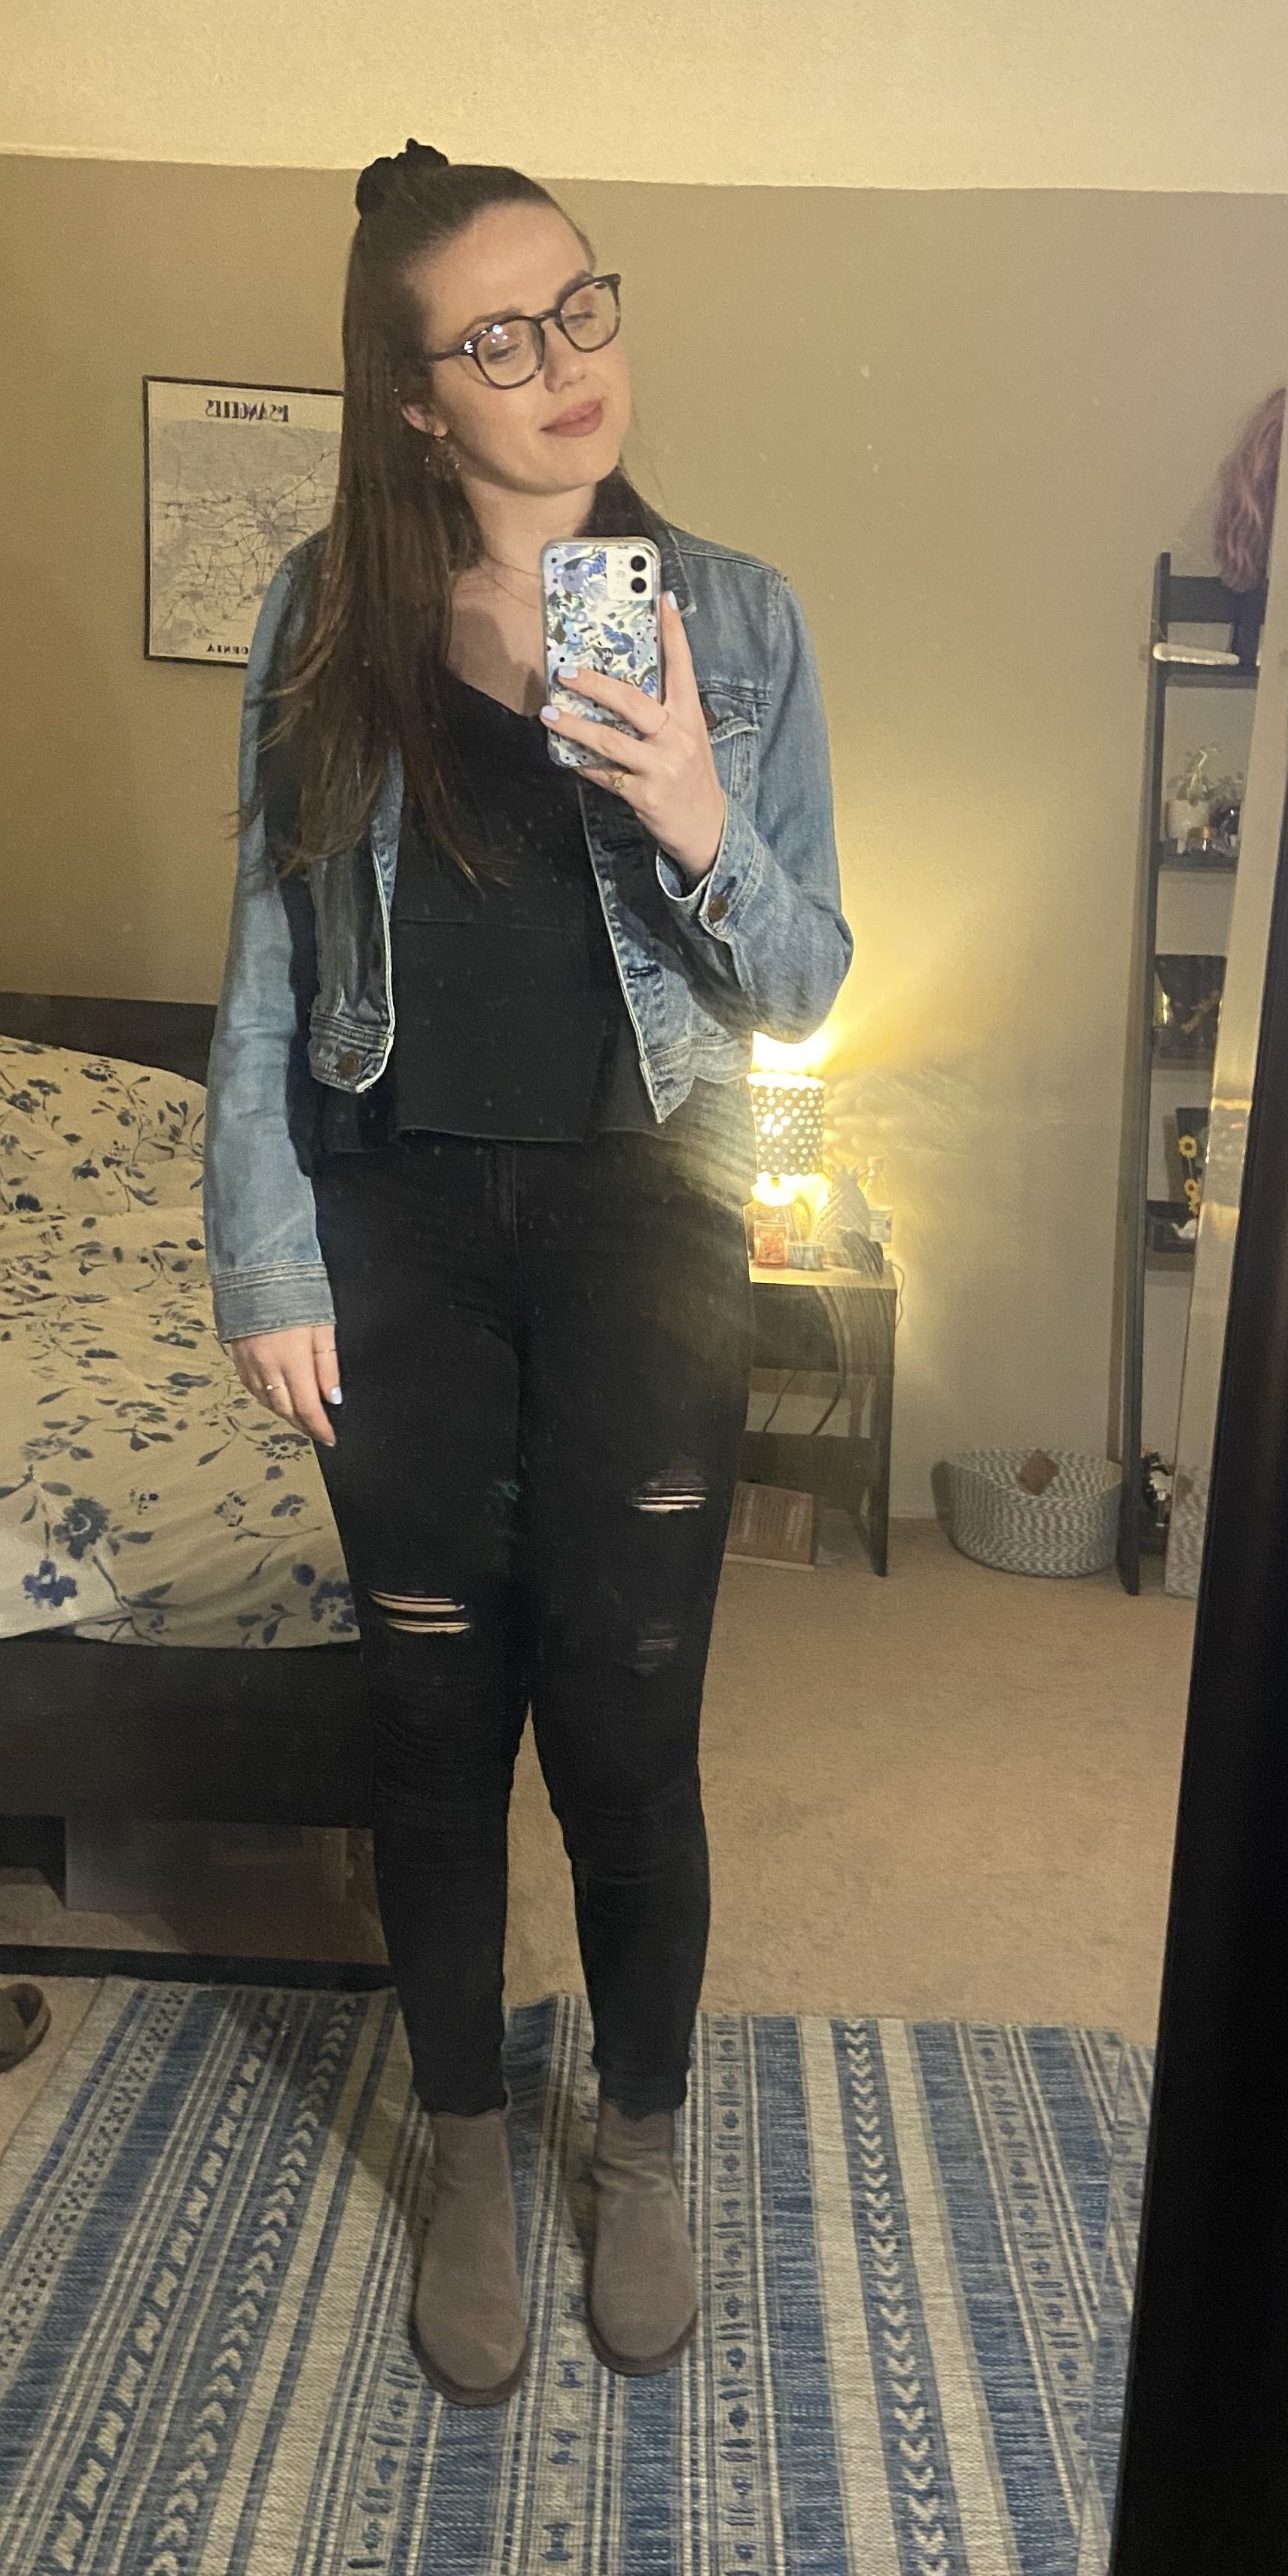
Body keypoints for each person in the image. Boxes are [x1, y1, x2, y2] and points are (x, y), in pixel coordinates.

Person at [202, 139, 851, 2407]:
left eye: (582, 306)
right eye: (500, 338)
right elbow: (269, 961)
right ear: (412, 397)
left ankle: (638, 2148)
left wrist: (689, 802)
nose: (567, 363)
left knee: (632, 1716)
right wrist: (263, 1251)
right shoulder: (324, 616)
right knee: (433, 1719)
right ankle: (470, 2153)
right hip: (392, 1224)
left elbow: (800, 984)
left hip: (644, 1216)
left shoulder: (734, 620)